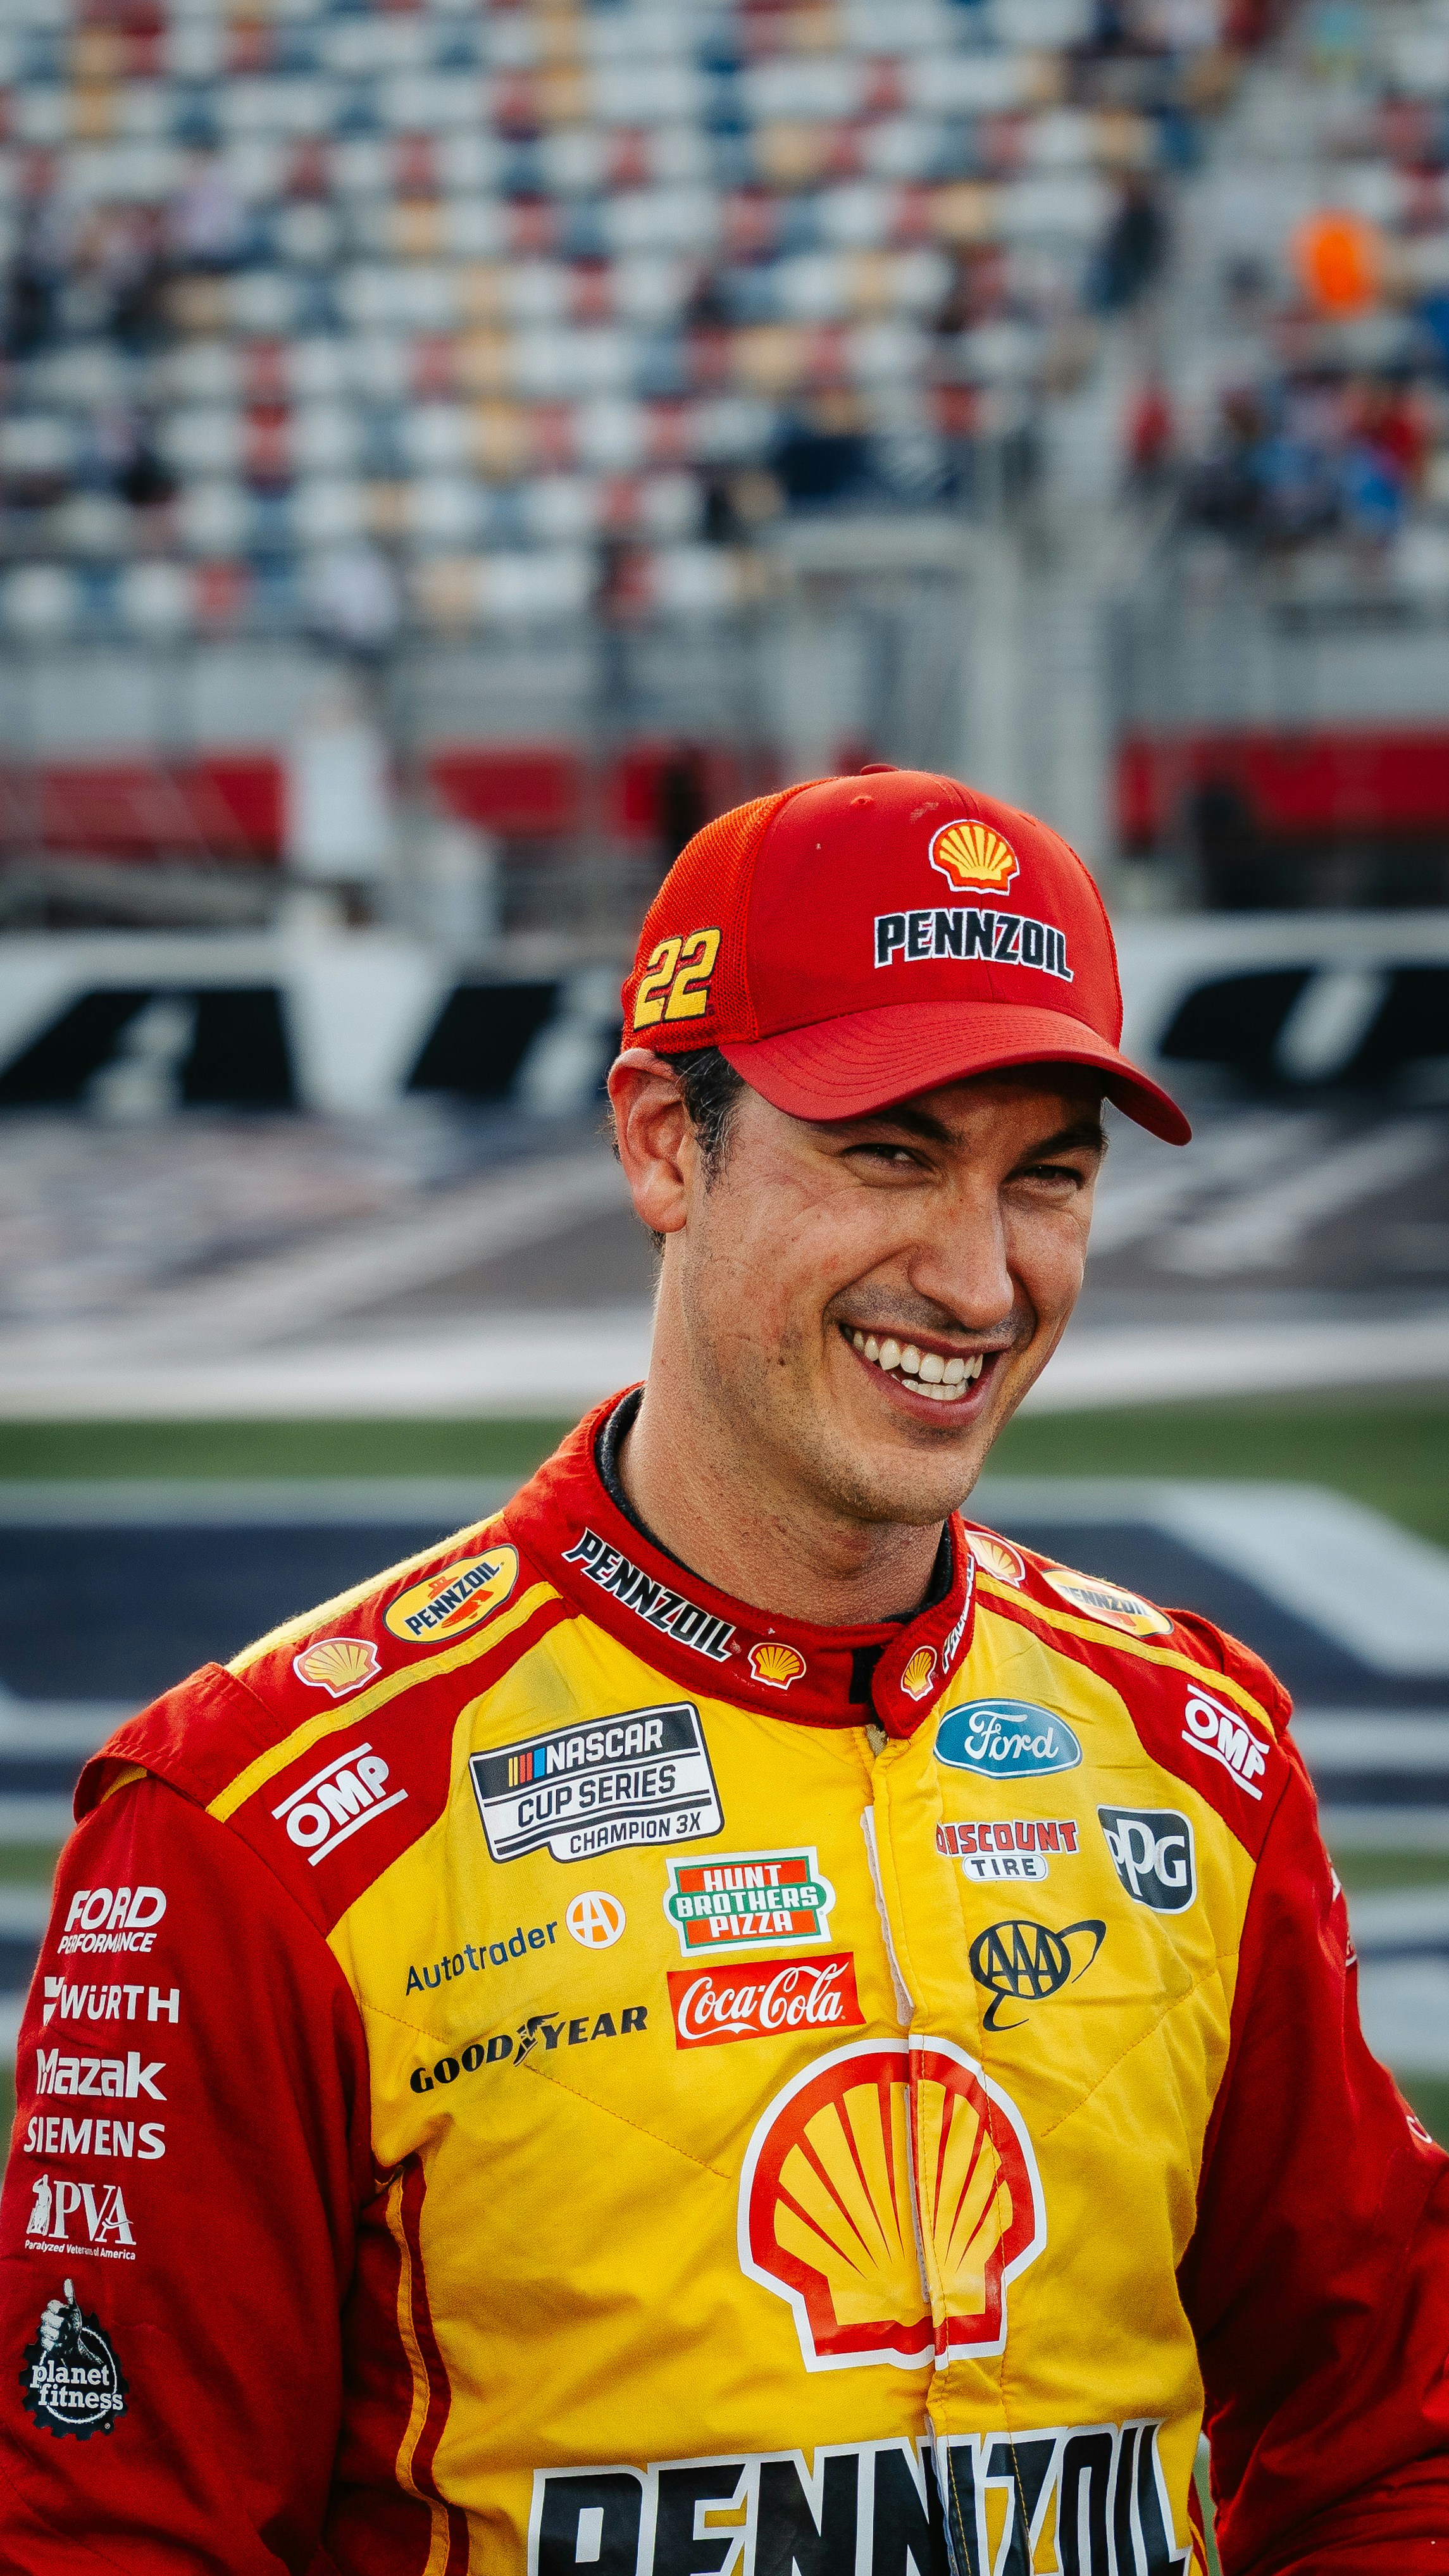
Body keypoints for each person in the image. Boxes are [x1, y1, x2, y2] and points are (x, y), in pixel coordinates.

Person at [2, 769, 1446, 2575]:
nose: (979, 1278)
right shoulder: (249, 1823)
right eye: (891, 1155)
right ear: (662, 1145)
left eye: (1043, 1179)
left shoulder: (1195, 1752)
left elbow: (1390, 2441)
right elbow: (114, 2543)